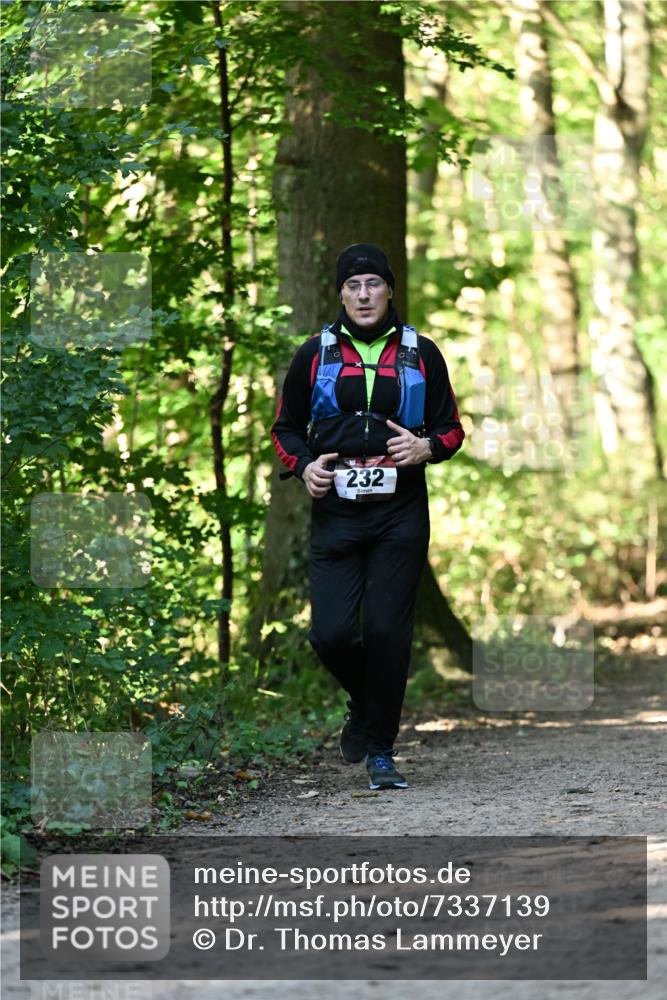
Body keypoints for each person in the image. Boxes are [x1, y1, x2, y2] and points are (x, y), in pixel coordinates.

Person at [271, 243, 465, 790]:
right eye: (353, 286)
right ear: (340, 293)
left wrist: (428, 448)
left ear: (388, 290)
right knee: (330, 635)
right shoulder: (316, 353)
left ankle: (381, 749)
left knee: (387, 633)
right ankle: (363, 701)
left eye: (373, 284)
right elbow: (284, 428)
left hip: (400, 512)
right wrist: (305, 467)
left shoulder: (421, 352)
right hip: (336, 510)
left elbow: (451, 428)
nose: (363, 294)